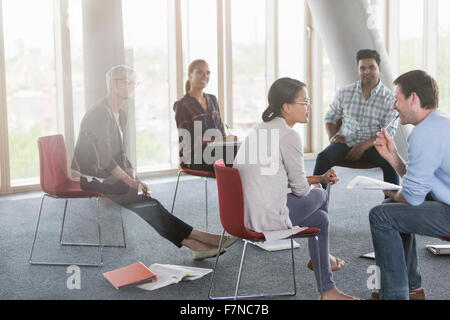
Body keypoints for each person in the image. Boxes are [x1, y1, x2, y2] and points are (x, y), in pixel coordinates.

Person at [71, 65, 237, 261]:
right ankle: (199, 239)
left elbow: (121, 153)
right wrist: (130, 182)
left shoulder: (120, 114)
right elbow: (105, 158)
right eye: (126, 82)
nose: (131, 86)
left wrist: (133, 176)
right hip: (92, 176)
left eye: (133, 83)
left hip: (108, 174)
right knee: (142, 200)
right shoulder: (100, 113)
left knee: (143, 199)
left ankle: (195, 242)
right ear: (111, 84)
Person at [233, 77, 358, 300]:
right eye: (305, 101)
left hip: (245, 214)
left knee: (321, 220)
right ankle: (323, 258)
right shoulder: (289, 135)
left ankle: (327, 289)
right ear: (287, 107)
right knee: (320, 195)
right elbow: (300, 190)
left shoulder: (260, 129)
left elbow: (278, 178)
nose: (309, 107)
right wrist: (319, 184)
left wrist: (318, 177)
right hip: (265, 219)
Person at [370, 70, 450, 300]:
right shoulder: (439, 122)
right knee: (390, 207)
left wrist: (394, 192)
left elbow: (413, 198)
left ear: (413, 98)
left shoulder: (424, 133)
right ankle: (412, 288)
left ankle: (395, 295)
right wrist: (393, 157)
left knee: (381, 215)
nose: (394, 106)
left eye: (398, 99)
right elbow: (421, 182)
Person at [313, 49, 399, 188]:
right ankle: (317, 198)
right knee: (323, 157)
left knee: (390, 161)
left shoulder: (390, 98)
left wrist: (363, 146)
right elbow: (330, 117)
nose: (367, 71)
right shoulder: (345, 92)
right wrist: (332, 137)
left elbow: (388, 132)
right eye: (362, 68)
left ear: (379, 68)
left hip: (373, 146)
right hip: (345, 143)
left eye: (371, 67)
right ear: (358, 70)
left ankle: (392, 202)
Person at [173, 59, 237, 172]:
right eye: (199, 72)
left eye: (208, 73)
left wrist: (228, 140)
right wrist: (221, 140)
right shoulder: (182, 105)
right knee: (238, 158)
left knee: (243, 152)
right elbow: (189, 141)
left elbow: (220, 129)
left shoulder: (212, 99)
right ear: (189, 74)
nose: (205, 76)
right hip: (195, 157)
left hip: (217, 150)